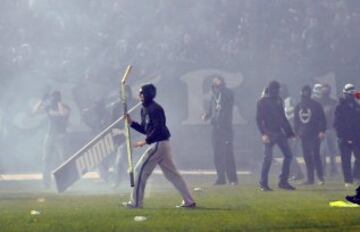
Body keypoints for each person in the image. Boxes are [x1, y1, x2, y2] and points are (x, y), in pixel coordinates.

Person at [122, 83, 196, 208]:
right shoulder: (144, 109)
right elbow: (147, 129)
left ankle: (135, 203)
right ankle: (189, 201)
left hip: (159, 144)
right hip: (161, 144)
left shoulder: (155, 109)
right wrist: (131, 123)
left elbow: (158, 129)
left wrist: (145, 141)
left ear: (148, 95)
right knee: (172, 175)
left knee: (139, 170)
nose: (139, 95)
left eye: (142, 93)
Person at [256, 81, 296, 191]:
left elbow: (282, 117)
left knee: (288, 155)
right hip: (269, 132)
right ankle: (263, 184)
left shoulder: (278, 100)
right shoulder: (262, 102)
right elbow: (259, 120)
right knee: (267, 158)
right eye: (276, 89)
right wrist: (263, 134)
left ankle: (283, 181)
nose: (277, 91)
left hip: (279, 132)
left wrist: (289, 132)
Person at [202, 75, 238, 185]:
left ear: (222, 82)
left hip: (226, 128)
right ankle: (220, 178)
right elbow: (211, 109)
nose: (215, 83)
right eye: (214, 81)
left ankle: (232, 179)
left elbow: (226, 100)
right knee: (217, 153)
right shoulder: (214, 95)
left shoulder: (228, 93)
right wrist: (206, 116)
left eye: (217, 80)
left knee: (228, 153)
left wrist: (220, 88)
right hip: (216, 127)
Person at [33, 90, 70, 188]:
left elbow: (63, 114)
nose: (53, 99)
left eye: (55, 97)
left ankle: (65, 181)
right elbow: (35, 111)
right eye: (52, 98)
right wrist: (41, 100)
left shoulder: (65, 107)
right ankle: (46, 183)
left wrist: (59, 103)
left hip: (61, 136)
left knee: (63, 159)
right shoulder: (48, 107)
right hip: (49, 136)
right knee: (46, 159)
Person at [294, 85, 326, 185]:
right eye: (304, 91)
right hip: (304, 135)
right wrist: (297, 132)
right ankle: (310, 179)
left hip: (315, 134)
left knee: (316, 155)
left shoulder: (316, 105)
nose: (305, 93)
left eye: (306, 91)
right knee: (307, 156)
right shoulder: (298, 106)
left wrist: (321, 131)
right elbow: (296, 121)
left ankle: (320, 178)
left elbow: (322, 119)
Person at [334, 83, 360, 187]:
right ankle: (348, 180)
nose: (350, 96)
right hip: (344, 138)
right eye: (348, 94)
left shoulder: (357, 107)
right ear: (344, 94)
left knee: (359, 158)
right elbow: (337, 124)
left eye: (351, 94)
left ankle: (356, 176)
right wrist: (343, 136)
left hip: (357, 137)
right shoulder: (339, 107)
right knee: (346, 160)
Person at [313, 83, 339, 177]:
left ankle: (333, 169)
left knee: (333, 151)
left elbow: (337, 116)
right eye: (324, 89)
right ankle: (322, 169)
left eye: (326, 89)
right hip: (322, 130)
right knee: (322, 151)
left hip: (331, 129)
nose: (325, 91)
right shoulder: (318, 102)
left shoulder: (333, 102)